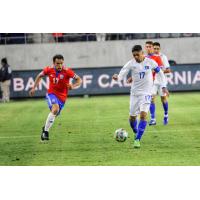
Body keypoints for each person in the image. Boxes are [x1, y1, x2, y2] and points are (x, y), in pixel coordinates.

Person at [112, 45, 169, 148]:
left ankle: (137, 139)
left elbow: (160, 73)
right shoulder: (131, 63)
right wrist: (117, 77)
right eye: (134, 55)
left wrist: (163, 86)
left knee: (143, 115)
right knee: (132, 117)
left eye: (137, 55)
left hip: (147, 93)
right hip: (134, 94)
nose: (136, 57)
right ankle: (135, 131)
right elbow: (122, 73)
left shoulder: (150, 62)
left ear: (142, 53)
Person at [29, 54, 82, 141]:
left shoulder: (67, 71)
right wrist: (34, 87)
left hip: (62, 98)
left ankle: (45, 128)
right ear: (53, 63)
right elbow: (39, 76)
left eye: (61, 63)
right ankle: (45, 132)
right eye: (57, 63)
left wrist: (73, 86)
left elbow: (79, 80)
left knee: (54, 114)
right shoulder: (48, 69)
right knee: (55, 109)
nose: (60, 65)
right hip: (51, 94)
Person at [144, 41, 164, 126]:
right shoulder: (144, 57)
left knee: (155, 98)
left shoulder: (157, 57)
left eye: (149, 47)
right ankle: (152, 119)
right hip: (147, 82)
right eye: (147, 47)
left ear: (152, 47)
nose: (148, 48)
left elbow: (160, 71)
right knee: (148, 100)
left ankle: (154, 119)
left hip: (156, 82)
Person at [152, 42, 171, 125]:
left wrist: (159, 70)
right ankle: (153, 118)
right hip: (152, 81)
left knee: (163, 99)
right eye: (154, 48)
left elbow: (168, 70)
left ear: (160, 49)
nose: (156, 50)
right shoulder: (149, 57)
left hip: (161, 81)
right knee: (151, 98)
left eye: (157, 48)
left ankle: (166, 115)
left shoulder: (163, 57)